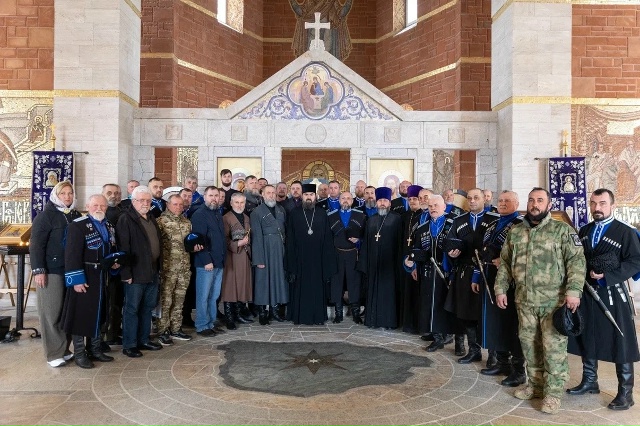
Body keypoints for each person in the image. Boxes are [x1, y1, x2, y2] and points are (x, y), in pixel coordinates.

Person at [495, 187, 585, 414]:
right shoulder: (516, 232)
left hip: (553, 303)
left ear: (549, 204)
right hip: (524, 301)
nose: (535, 204)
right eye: (531, 200)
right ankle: (536, 386)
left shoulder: (562, 230)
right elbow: (505, 263)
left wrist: (574, 291)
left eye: (540, 200)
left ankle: (553, 393)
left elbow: (576, 261)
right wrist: (500, 288)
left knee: (553, 349)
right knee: (529, 347)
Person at [567, 188, 640, 410]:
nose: (597, 208)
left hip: (614, 292)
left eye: (602, 203)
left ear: (612, 205)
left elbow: (635, 261)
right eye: (593, 203)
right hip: (587, 292)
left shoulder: (625, 232)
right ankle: (590, 381)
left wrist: (607, 276)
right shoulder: (585, 230)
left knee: (621, 340)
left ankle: (625, 393)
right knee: (587, 334)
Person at [473, 191, 526, 387]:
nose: (502, 204)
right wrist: (476, 276)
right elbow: (481, 252)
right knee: (497, 322)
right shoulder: (493, 224)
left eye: (507, 201)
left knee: (512, 325)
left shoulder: (522, 225)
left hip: (511, 283)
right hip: (490, 277)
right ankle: (502, 363)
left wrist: (505, 263)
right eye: (501, 200)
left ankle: (518, 370)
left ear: (517, 203)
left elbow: (526, 256)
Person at [62, 195, 118, 368]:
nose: (99, 208)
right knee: (81, 315)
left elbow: (111, 249)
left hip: (101, 276)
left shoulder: (109, 225)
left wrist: (114, 262)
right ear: (87, 206)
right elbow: (71, 254)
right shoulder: (77, 225)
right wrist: (76, 280)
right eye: (95, 205)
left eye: (103, 205)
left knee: (98, 313)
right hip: (84, 276)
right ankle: (80, 354)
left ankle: (95, 349)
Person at [30, 181, 82, 367]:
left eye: (70, 193)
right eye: (63, 193)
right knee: (51, 312)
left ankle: (64, 349)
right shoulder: (45, 216)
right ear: (56, 195)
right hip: (51, 271)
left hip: (71, 270)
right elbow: (36, 245)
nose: (67, 197)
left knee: (66, 313)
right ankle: (53, 354)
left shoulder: (75, 215)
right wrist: (39, 270)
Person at [445, 188, 499, 363]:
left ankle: (494, 355)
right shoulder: (458, 220)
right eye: (469, 198)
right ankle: (474, 350)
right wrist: (452, 253)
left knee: (490, 314)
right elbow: (450, 242)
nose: (472, 201)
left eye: (476, 197)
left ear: (484, 199)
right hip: (465, 271)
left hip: (488, 272)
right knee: (466, 313)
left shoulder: (494, 219)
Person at [404, 195, 457, 351]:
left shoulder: (452, 224)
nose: (433, 208)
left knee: (442, 304)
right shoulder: (422, 227)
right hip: (427, 271)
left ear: (444, 207)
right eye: (430, 206)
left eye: (436, 205)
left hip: (445, 271)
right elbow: (416, 249)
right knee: (428, 303)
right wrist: (413, 265)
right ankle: (435, 333)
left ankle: (442, 336)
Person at [116, 185, 164, 357]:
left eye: (148, 200)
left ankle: (143, 339)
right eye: (141, 200)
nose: (145, 203)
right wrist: (126, 273)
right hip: (135, 273)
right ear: (133, 201)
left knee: (147, 307)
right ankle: (129, 344)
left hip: (152, 271)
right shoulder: (126, 219)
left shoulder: (151, 217)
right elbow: (123, 248)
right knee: (132, 309)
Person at [285, 183, 337, 325]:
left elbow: (327, 239)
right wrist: (291, 261)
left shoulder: (321, 213)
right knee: (300, 288)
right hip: (299, 258)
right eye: (306, 195)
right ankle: (300, 317)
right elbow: (290, 239)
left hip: (318, 259)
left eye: (311, 195)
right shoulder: (294, 213)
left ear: (315, 196)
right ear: (302, 196)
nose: (309, 197)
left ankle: (318, 317)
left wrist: (327, 261)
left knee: (317, 288)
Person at [156, 194, 198, 346]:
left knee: (179, 300)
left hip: (184, 268)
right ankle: (163, 330)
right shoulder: (160, 222)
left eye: (181, 204)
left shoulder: (187, 222)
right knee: (166, 300)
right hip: (168, 268)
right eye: (175, 204)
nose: (178, 207)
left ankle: (176, 328)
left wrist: (195, 247)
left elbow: (188, 244)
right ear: (168, 205)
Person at [358, 187, 403, 329]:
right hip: (373, 264)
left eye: (385, 201)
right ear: (376, 202)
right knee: (372, 291)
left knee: (388, 292)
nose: (382, 203)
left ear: (390, 203)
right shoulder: (371, 220)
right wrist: (364, 263)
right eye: (380, 201)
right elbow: (365, 243)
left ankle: (388, 322)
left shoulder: (397, 219)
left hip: (390, 265)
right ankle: (372, 321)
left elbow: (400, 243)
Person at [190, 186, 226, 336]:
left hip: (218, 262)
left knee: (214, 296)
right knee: (203, 296)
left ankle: (210, 322)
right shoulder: (199, 214)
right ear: (204, 197)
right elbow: (199, 240)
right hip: (206, 263)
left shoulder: (217, 213)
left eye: (216, 196)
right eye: (211, 195)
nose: (214, 198)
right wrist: (206, 260)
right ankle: (202, 325)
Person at [251, 185, 288, 325]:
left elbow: (284, 231)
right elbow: (256, 237)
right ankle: (262, 312)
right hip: (265, 249)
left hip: (279, 249)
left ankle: (274, 311)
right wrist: (258, 259)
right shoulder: (256, 212)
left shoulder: (281, 210)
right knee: (263, 280)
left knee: (278, 279)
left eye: (273, 192)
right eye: (268, 193)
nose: (271, 195)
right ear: (263, 194)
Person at [328, 191, 365, 324]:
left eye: (348, 198)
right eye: (343, 198)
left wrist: (359, 241)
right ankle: (338, 314)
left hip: (353, 254)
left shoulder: (360, 216)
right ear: (339, 200)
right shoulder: (331, 216)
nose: (345, 200)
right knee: (336, 283)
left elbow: (365, 236)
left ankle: (356, 313)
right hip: (336, 253)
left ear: (352, 201)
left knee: (354, 283)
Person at [221, 193, 253, 330]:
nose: (239, 205)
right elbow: (224, 239)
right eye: (237, 202)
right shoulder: (226, 218)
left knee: (242, 285)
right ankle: (229, 318)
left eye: (242, 202)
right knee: (230, 287)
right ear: (231, 203)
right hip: (232, 257)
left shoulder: (246, 217)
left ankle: (239, 314)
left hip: (244, 256)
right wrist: (238, 243)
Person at [102, 183, 125, 346]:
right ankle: (107, 334)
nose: (113, 196)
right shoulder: (101, 214)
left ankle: (115, 331)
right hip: (107, 265)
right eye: (109, 193)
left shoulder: (123, 211)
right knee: (108, 302)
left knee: (118, 300)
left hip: (121, 264)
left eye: (117, 193)